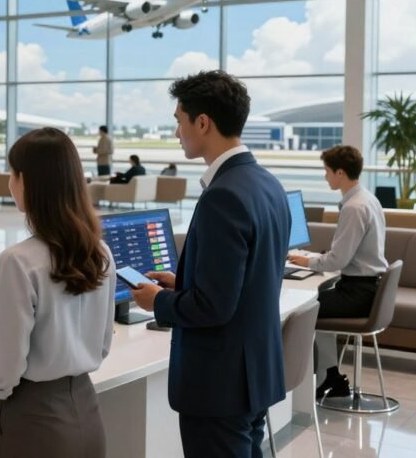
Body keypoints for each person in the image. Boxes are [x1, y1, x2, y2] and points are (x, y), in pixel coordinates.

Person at [130, 71, 288, 458]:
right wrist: (181, 281)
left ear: (203, 122)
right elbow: (249, 279)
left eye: (179, 121)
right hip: (254, 374)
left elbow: (214, 306)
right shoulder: (267, 184)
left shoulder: (223, 196)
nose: (176, 132)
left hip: (220, 385)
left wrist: (157, 302)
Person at [0, 127, 115, 458]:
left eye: (12, 173)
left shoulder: (18, 262)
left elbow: (6, 365)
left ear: (29, 183)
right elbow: (103, 342)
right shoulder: (100, 252)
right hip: (87, 412)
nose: (9, 182)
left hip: (36, 421)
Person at [288, 145, 388, 399]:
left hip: (359, 292)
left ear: (340, 173)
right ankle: (331, 375)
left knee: (304, 308)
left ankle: (322, 378)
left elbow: (338, 260)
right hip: (368, 288)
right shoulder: (367, 198)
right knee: (317, 302)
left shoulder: (354, 207)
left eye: (327, 171)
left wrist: (307, 262)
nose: (325, 177)